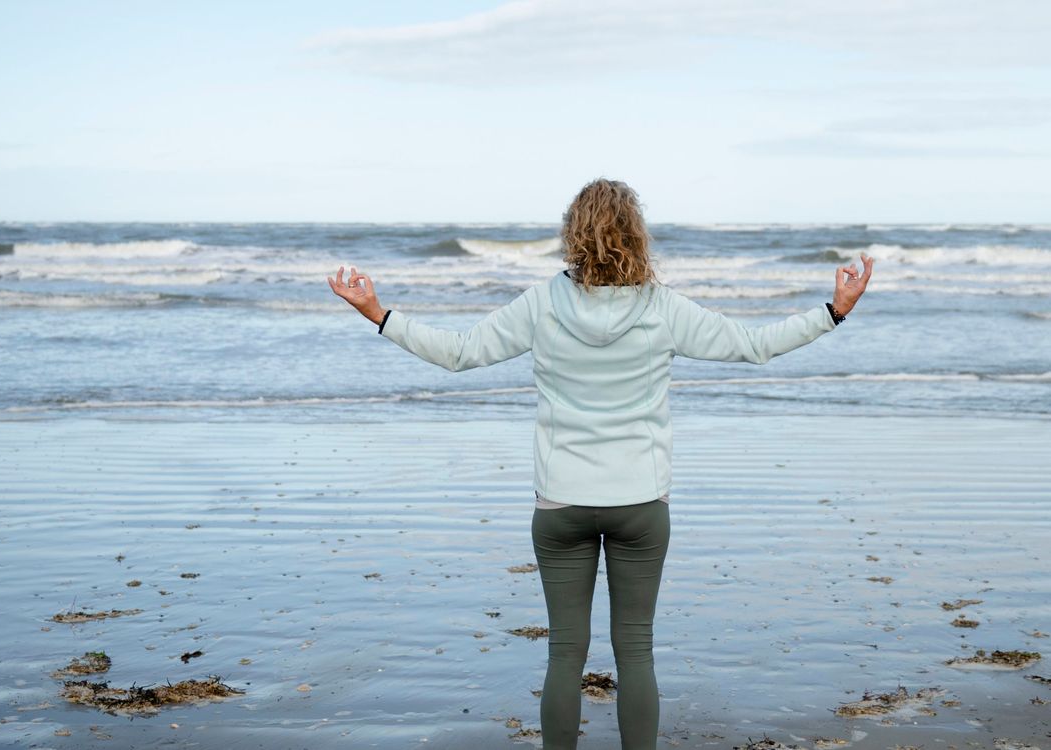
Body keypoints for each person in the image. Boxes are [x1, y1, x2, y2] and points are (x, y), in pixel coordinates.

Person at [327, 178, 875, 750]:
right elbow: (754, 345)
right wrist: (834, 312)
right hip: (640, 503)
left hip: (561, 503)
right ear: (636, 235)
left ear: (573, 235)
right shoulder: (662, 307)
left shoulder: (543, 302)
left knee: (566, 651)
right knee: (635, 648)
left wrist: (378, 313)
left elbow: (461, 353)